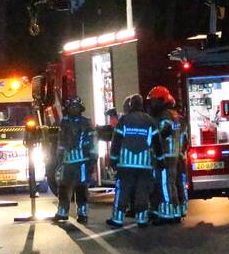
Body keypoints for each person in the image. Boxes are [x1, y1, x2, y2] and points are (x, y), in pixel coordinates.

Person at [107, 94, 164, 228]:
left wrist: (113, 160)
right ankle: (142, 219)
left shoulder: (124, 120)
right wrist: (160, 160)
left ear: (131, 105)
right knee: (142, 191)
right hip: (145, 164)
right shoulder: (150, 121)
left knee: (123, 190)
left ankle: (117, 219)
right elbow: (157, 143)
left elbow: (116, 142)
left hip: (126, 164)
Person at [53, 96, 97, 224]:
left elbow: (92, 141)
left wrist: (92, 159)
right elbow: (60, 142)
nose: (74, 109)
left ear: (80, 108)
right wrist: (59, 159)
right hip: (67, 162)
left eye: (76, 107)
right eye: (72, 107)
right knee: (63, 187)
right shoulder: (64, 122)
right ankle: (62, 212)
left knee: (81, 188)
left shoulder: (87, 122)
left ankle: (82, 213)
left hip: (83, 161)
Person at [147, 86, 182, 224]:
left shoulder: (165, 115)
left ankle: (166, 215)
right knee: (170, 184)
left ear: (161, 100)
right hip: (173, 154)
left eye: (154, 101)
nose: (151, 104)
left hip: (165, 155)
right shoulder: (173, 114)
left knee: (164, 184)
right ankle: (175, 212)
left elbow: (160, 133)